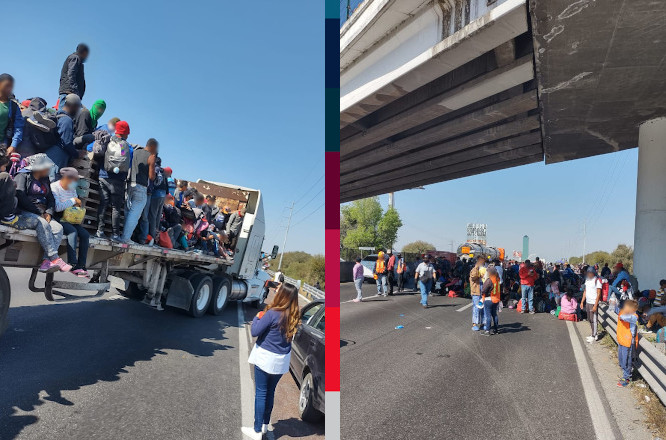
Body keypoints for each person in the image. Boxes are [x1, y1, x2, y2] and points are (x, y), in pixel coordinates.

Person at [243, 283, 301, 440]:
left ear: (281, 295)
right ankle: (264, 426)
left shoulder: (273, 313)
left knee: (261, 393)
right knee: (270, 393)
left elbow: (255, 331)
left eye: (278, 291)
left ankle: (256, 431)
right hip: (281, 361)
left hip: (265, 358)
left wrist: (257, 317)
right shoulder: (294, 316)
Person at [13, 154, 70, 273]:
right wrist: (39, 212)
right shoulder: (22, 176)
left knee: (58, 228)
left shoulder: (45, 180)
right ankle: (55, 258)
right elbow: (21, 197)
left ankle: (46, 262)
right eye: (47, 167)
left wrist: (49, 212)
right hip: (26, 211)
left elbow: (51, 199)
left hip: (42, 213)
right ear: (39, 167)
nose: (49, 170)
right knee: (43, 224)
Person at [93, 120, 131, 240]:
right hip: (118, 180)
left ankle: (100, 231)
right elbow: (128, 165)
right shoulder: (127, 148)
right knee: (116, 207)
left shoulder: (107, 140)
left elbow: (93, 149)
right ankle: (115, 234)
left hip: (103, 176)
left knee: (103, 204)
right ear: (126, 133)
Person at [50, 167, 89, 277]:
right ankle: (73, 263)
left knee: (85, 235)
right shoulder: (54, 187)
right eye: (75, 179)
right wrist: (73, 201)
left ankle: (81, 265)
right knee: (72, 232)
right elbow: (57, 207)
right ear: (67, 178)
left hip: (70, 218)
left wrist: (77, 204)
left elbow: (75, 202)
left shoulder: (72, 188)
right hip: (58, 218)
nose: (76, 182)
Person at [122, 139, 156, 244]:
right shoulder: (151, 156)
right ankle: (126, 238)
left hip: (129, 183)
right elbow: (151, 177)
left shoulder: (135, 151)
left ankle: (124, 235)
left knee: (128, 211)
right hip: (141, 186)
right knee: (135, 213)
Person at [45, 93, 82, 180]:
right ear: (73, 106)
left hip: (50, 153)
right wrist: (77, 154)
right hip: (57, 157)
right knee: (52, 182)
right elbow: (66, 142)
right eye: (77, 107)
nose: (78, 111)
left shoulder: (58, 116)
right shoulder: (67, 120)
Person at [58, 44, 89, 108]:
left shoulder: (76, 60)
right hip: (69, 93)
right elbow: (71, 74)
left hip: (70, 92)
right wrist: (75, 91)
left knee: (68, 115)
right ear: (84, 52)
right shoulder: (75, 58)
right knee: (62, 115)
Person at [0, 74, 24, 156]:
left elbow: (18, 128)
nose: (9, 89)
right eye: (6, 85)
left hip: (2, 146)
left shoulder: (14, 107)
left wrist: (13, 145)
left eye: (11, 86)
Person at [617, 299, 639, 387]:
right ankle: (625, 373)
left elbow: (623, 317)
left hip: (629, 342)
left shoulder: (634, 316)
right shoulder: (624, 313)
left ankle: (627, 377)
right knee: (622, 359)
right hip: (622, 340)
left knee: (627, 360)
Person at [581, 267, 602, 343]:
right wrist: (582, 301)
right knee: (589, 319)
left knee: (594, 320)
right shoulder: (587, 280)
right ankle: (593, 334)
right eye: (588, 273)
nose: (588, 274)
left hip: (593, 302)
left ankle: (594, 335)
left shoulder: (597, 281)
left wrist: (595, 305)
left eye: (590, 273)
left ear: (593, 273)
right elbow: (585, 291)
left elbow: (599, 294)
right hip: (588, 301)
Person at [480, 266, 501, 336]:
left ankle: (487, 331)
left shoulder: (489, 280)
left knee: (488, 315)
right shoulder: (498, 279)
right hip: (496, 299)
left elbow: (483, 290)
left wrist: (482, 294)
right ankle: (496, 329)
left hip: (489, 299)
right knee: (494, 314)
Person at [470, 256, 485, 330]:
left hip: (483, 292)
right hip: (476, 292)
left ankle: (482, 323)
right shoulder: (474, 269)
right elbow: (473, 276)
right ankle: (474, 324)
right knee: (476, 308)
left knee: (482, 307)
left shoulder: (484, 269)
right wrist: (477, 267)